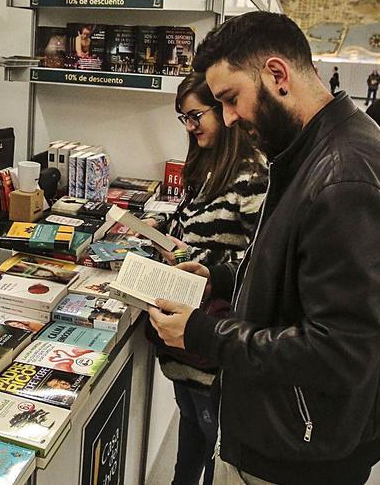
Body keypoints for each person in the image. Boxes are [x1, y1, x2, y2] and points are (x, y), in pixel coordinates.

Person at [149, 12, 380, 484]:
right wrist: (222, 277)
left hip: (303, 447)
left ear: (277, 75)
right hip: (293, 429)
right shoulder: (313, 150)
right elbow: (301, 269)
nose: (229, 117)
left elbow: (339, 352)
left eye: (231, 99)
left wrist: (204, 334)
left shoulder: (346, 177)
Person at [150, 72, 267, 485]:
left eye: (196, 115)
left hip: (212, 335)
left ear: (222, 109)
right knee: (192, 431)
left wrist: (207, 267)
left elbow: (259, 260)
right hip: (184, 335)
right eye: (183, 118)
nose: (190, 126)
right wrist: (159, 232)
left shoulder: (252, 174)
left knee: (212, 437)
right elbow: (189, 224)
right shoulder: (204, 166)